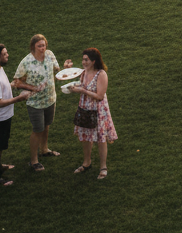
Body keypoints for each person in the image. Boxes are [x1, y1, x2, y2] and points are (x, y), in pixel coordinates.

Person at [12, 34, 71, 171]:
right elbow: (16, 82)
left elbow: (57, 73)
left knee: (46, 125)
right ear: (33, 47)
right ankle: (34, 161)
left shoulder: (50, 55)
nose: (42, 48)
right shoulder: (26, 62)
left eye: (43, 45)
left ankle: (44, 150)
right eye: (39, 46)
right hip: (35, 103)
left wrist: (65, 67)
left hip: (50, 98)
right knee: (37, 130)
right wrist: (33, 88)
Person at [0, 44, 34, 186]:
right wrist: (19, 98)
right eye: (5, 54)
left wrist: (12, 84)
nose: (8, 55)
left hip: (3, 116)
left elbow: (1, 88)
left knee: (0, 145)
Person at [69, 48, 117, 178]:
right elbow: (80, 85)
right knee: (85, 136)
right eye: (83, 59)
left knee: (101, 139)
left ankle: (103, 167)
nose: (83, 62)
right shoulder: (84, 73)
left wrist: (82, 91)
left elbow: (100, 96)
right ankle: (86, 163)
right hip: (84, 108)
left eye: (86, 60)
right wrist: (74, 88)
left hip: (98, 111)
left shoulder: (101, 74)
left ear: (94, 61)